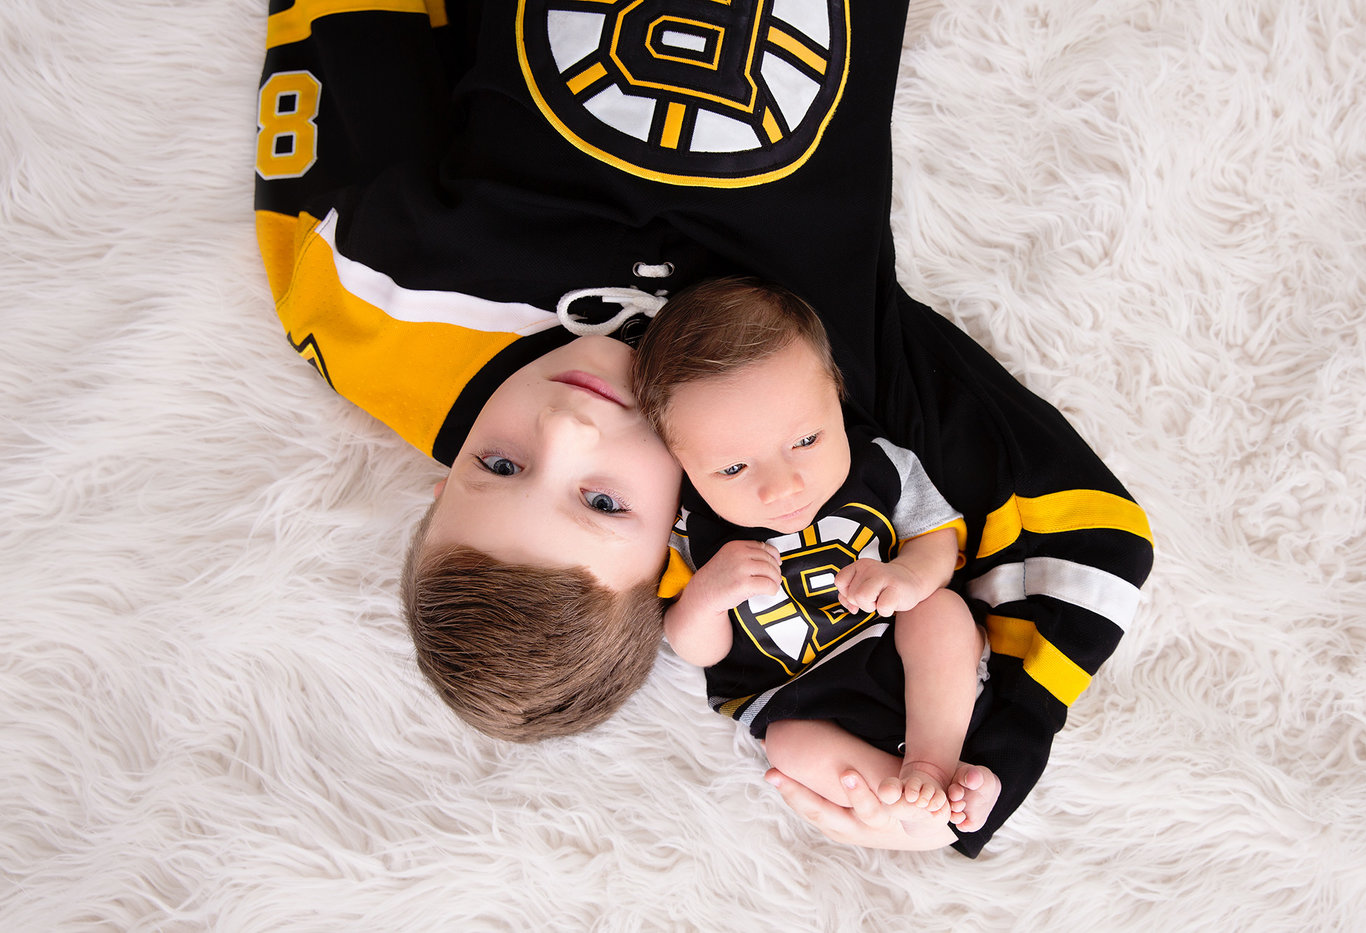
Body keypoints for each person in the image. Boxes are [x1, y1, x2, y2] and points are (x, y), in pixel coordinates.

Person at [253, 0, 1154, 856]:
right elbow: (1088, 537)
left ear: (440, 483)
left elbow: (355, 41)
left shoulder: (376, 309)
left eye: (497, 464)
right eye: (602, 503)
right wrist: (966, 781)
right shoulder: (808, 398)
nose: (567, 424)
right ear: (671, 552)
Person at [634, 277, 1001, 830]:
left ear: (837, 395)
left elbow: (937, 538)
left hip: (918, 670)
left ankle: (932, 764)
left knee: (940, 611)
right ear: (680, 463)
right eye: (732, 468)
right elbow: (698, 649)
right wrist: (706, 597)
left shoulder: (880, 468)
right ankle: (920, 794)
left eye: (806, 441)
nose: (783, 487)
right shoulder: (692, 530)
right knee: (785, 745)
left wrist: (907, 576)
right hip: (803, 698)